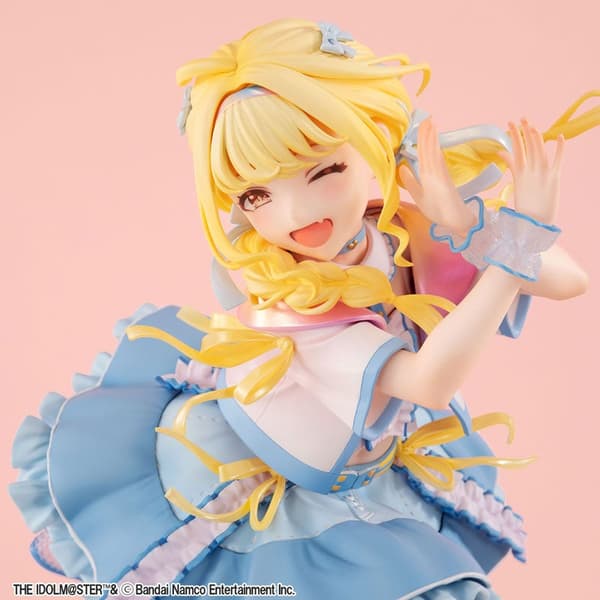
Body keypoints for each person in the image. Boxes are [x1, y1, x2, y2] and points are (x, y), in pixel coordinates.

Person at [10, 18, 598, 600]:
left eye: (325, 171)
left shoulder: (395, 230)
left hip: (374, 465)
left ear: (376, 142)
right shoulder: (293, 297)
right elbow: (430, 382)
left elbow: (569, 280)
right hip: (279, 491)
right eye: (257, 195)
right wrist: (513, 244)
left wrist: (465, 223)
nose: (296, 215)